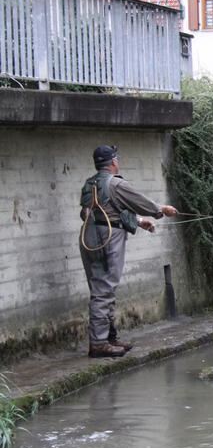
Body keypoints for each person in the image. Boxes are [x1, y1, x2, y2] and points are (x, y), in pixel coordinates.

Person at [79, 145, 178, 358]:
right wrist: (161, 209)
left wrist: (139, 222)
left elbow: (99, 211)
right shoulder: (115, 183)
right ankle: (98, 344)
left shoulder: (89, 185)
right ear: (113, 162)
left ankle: (109, 338)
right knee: (104, 289)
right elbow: (141, 202)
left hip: (88, 237)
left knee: (102, 287)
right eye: (117, 158)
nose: (118, 161)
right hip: (108, 238)